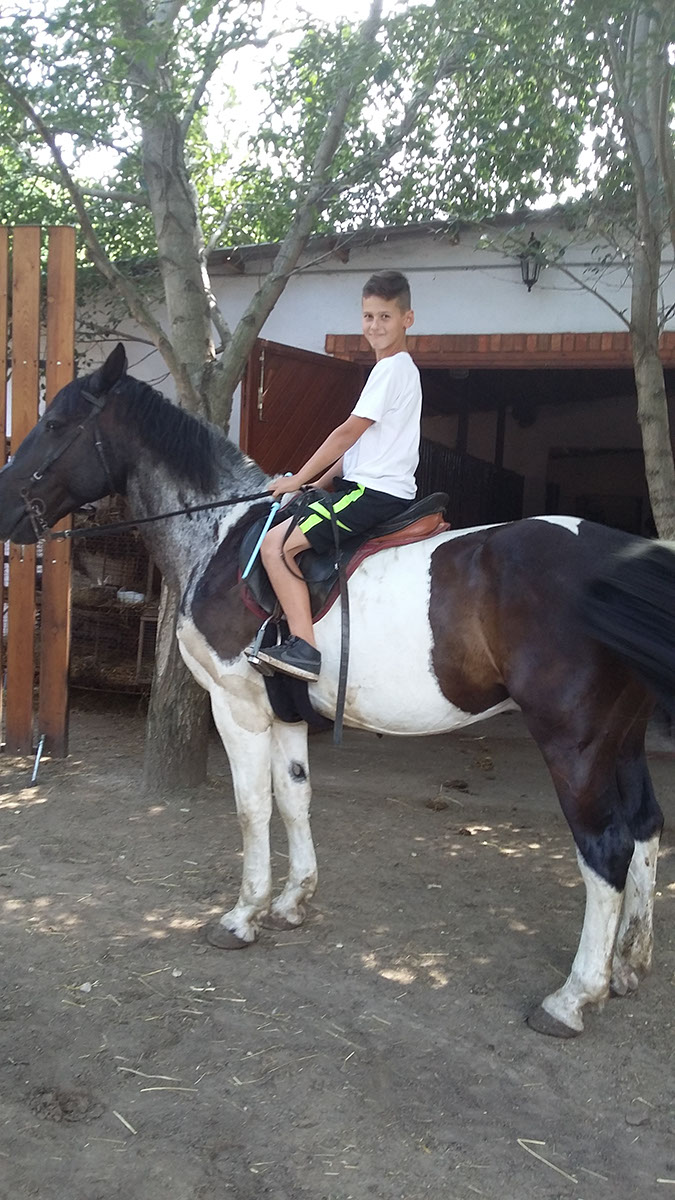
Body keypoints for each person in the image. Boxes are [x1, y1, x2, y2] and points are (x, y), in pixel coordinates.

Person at [253, 269, 422, 682]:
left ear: (407, 319)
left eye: (385, 316)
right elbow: (355, 454)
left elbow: (346, 434)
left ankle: (304, 648)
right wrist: (315, 485)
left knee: (275, 546)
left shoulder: (391, 370)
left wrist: (295, 480)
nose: (375, 326)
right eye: (368, 316)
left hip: (372, 494)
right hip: (367, 487)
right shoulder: (393, 371)